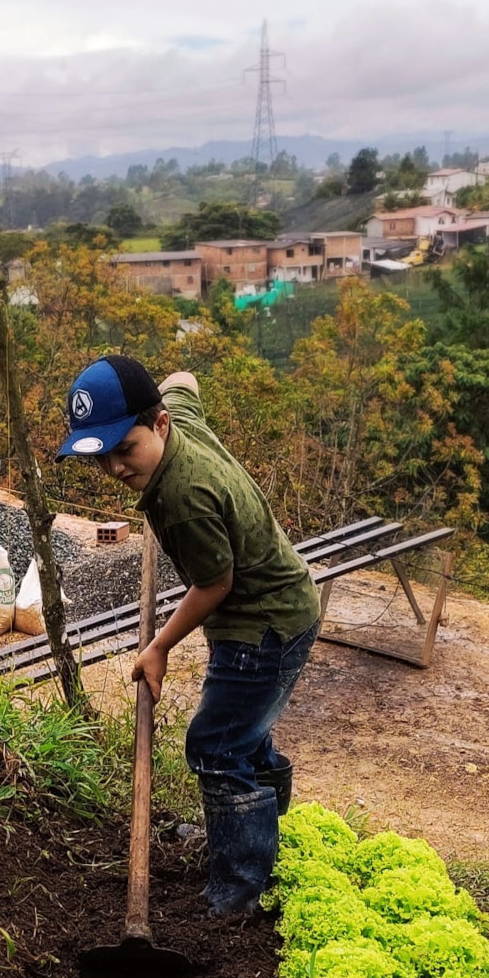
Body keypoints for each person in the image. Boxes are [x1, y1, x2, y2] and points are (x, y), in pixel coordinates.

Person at [57, 354, 321, 916]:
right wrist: (151, 390)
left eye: (125, 449)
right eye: (102, 457)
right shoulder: (176, 416)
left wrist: (157, 647)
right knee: (243, 734)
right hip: (283, 606)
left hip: (262, 625)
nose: (116, 469)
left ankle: (238, 891)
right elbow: (184, 381)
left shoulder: (183, 498)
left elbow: (214, 583)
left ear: (160, 425)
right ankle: (256, 834)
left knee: (216, 746)